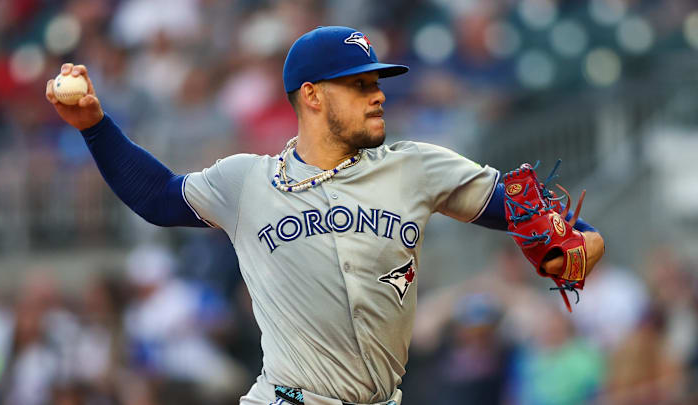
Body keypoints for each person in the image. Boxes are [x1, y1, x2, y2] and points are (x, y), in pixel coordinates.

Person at [46, 26, 605, 405]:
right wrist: (96, 126)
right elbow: (157, 197)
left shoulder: (417, 168)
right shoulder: (247, 181)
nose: (377, 95)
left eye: (377, 82)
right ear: (312, 96)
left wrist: (582, 244)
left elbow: (542, 221)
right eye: (359, 84)